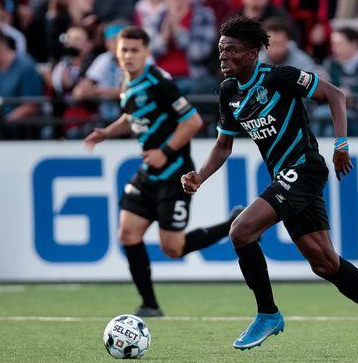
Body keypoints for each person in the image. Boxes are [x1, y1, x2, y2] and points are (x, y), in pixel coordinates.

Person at [181, 15, 358, 353]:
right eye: (220, 51)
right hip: (284, 176)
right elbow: (223, 145)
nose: (223, 57)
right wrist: (199, 175)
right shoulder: (229, 92)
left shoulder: (280, 77)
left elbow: (334, 94)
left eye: (230, 50)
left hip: (305, 167)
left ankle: (267, 314)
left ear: (252, 52)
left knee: (240, 231)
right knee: (324, 262)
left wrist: (341, 144)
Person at [84, 26, 242, 317]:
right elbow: (131, 115)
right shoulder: (127, 81)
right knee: (128, 234)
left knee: (173, 248)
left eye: (134, 50)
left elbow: (193, 122)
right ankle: (150, 304)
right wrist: (107, 132)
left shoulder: (158, 80)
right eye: (124, 50)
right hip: (149, 173)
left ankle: (232, 224)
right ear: (116, 53)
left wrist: (164, 152)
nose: (129, 55)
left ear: (146, 53)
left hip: (175, 174)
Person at [151, 0, 218, 94]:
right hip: (160, 76)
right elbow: (148, 52)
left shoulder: (204, 15)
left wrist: (179, 32)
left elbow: (200, 53)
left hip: (192, 77)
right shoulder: (155, 17)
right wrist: (163, 38)